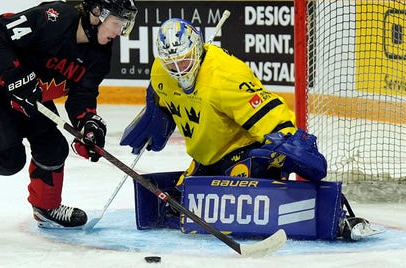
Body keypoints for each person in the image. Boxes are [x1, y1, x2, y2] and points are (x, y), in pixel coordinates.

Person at [120, 18, 373, 240]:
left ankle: (324, 211)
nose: (178, 70)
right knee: (175, 207)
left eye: (184, 60)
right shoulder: (160, 73)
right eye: (171, 64)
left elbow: (266, 110)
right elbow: (161, 97)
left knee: (241, 203)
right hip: (207, 157)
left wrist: (290, 140)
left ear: (196, 50)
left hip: (247, 150)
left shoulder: (226, 76)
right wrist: (156, 116)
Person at [0, 0, 137, 229]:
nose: (120, 31)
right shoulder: (54, 19)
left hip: (26, 91)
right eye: (117, 23)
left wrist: (88, 125)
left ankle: (46, 208)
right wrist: (15, 75)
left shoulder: (101, 54)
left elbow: (83, 94)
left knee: (52, 146)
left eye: (124, 24)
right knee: (8, 160)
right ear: (96, 13)